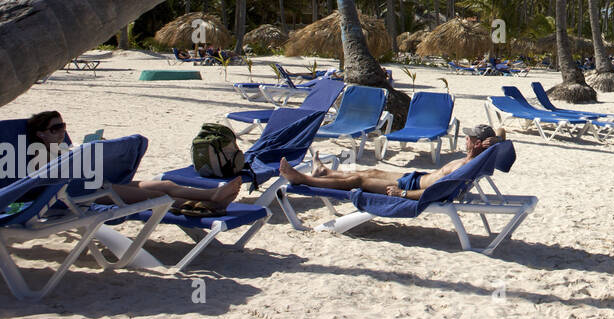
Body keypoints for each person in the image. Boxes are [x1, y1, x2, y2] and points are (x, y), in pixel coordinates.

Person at [25, 111, 244, 213]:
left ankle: (213, 196)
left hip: (99, 185)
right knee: (157, 197)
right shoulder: (37, 156)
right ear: (41, 134)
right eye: (55, 129)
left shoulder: (63, 148)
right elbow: (45, 182)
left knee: (165, 185)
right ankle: (210, 202)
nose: (62, 132)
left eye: (63, 126)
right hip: (77, 196)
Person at [278, 124, 506, 199]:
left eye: (469, 138)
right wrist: (494, 140)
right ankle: (325, 172)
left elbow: (437, 191)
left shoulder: (467, 166)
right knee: (372, 170)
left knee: (359, 180)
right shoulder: (472, 158)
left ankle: (303, 179)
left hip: (413, 187)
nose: (465, 139)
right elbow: (502, 134)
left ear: (477, 144)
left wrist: (402, 194)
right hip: (415, 178)